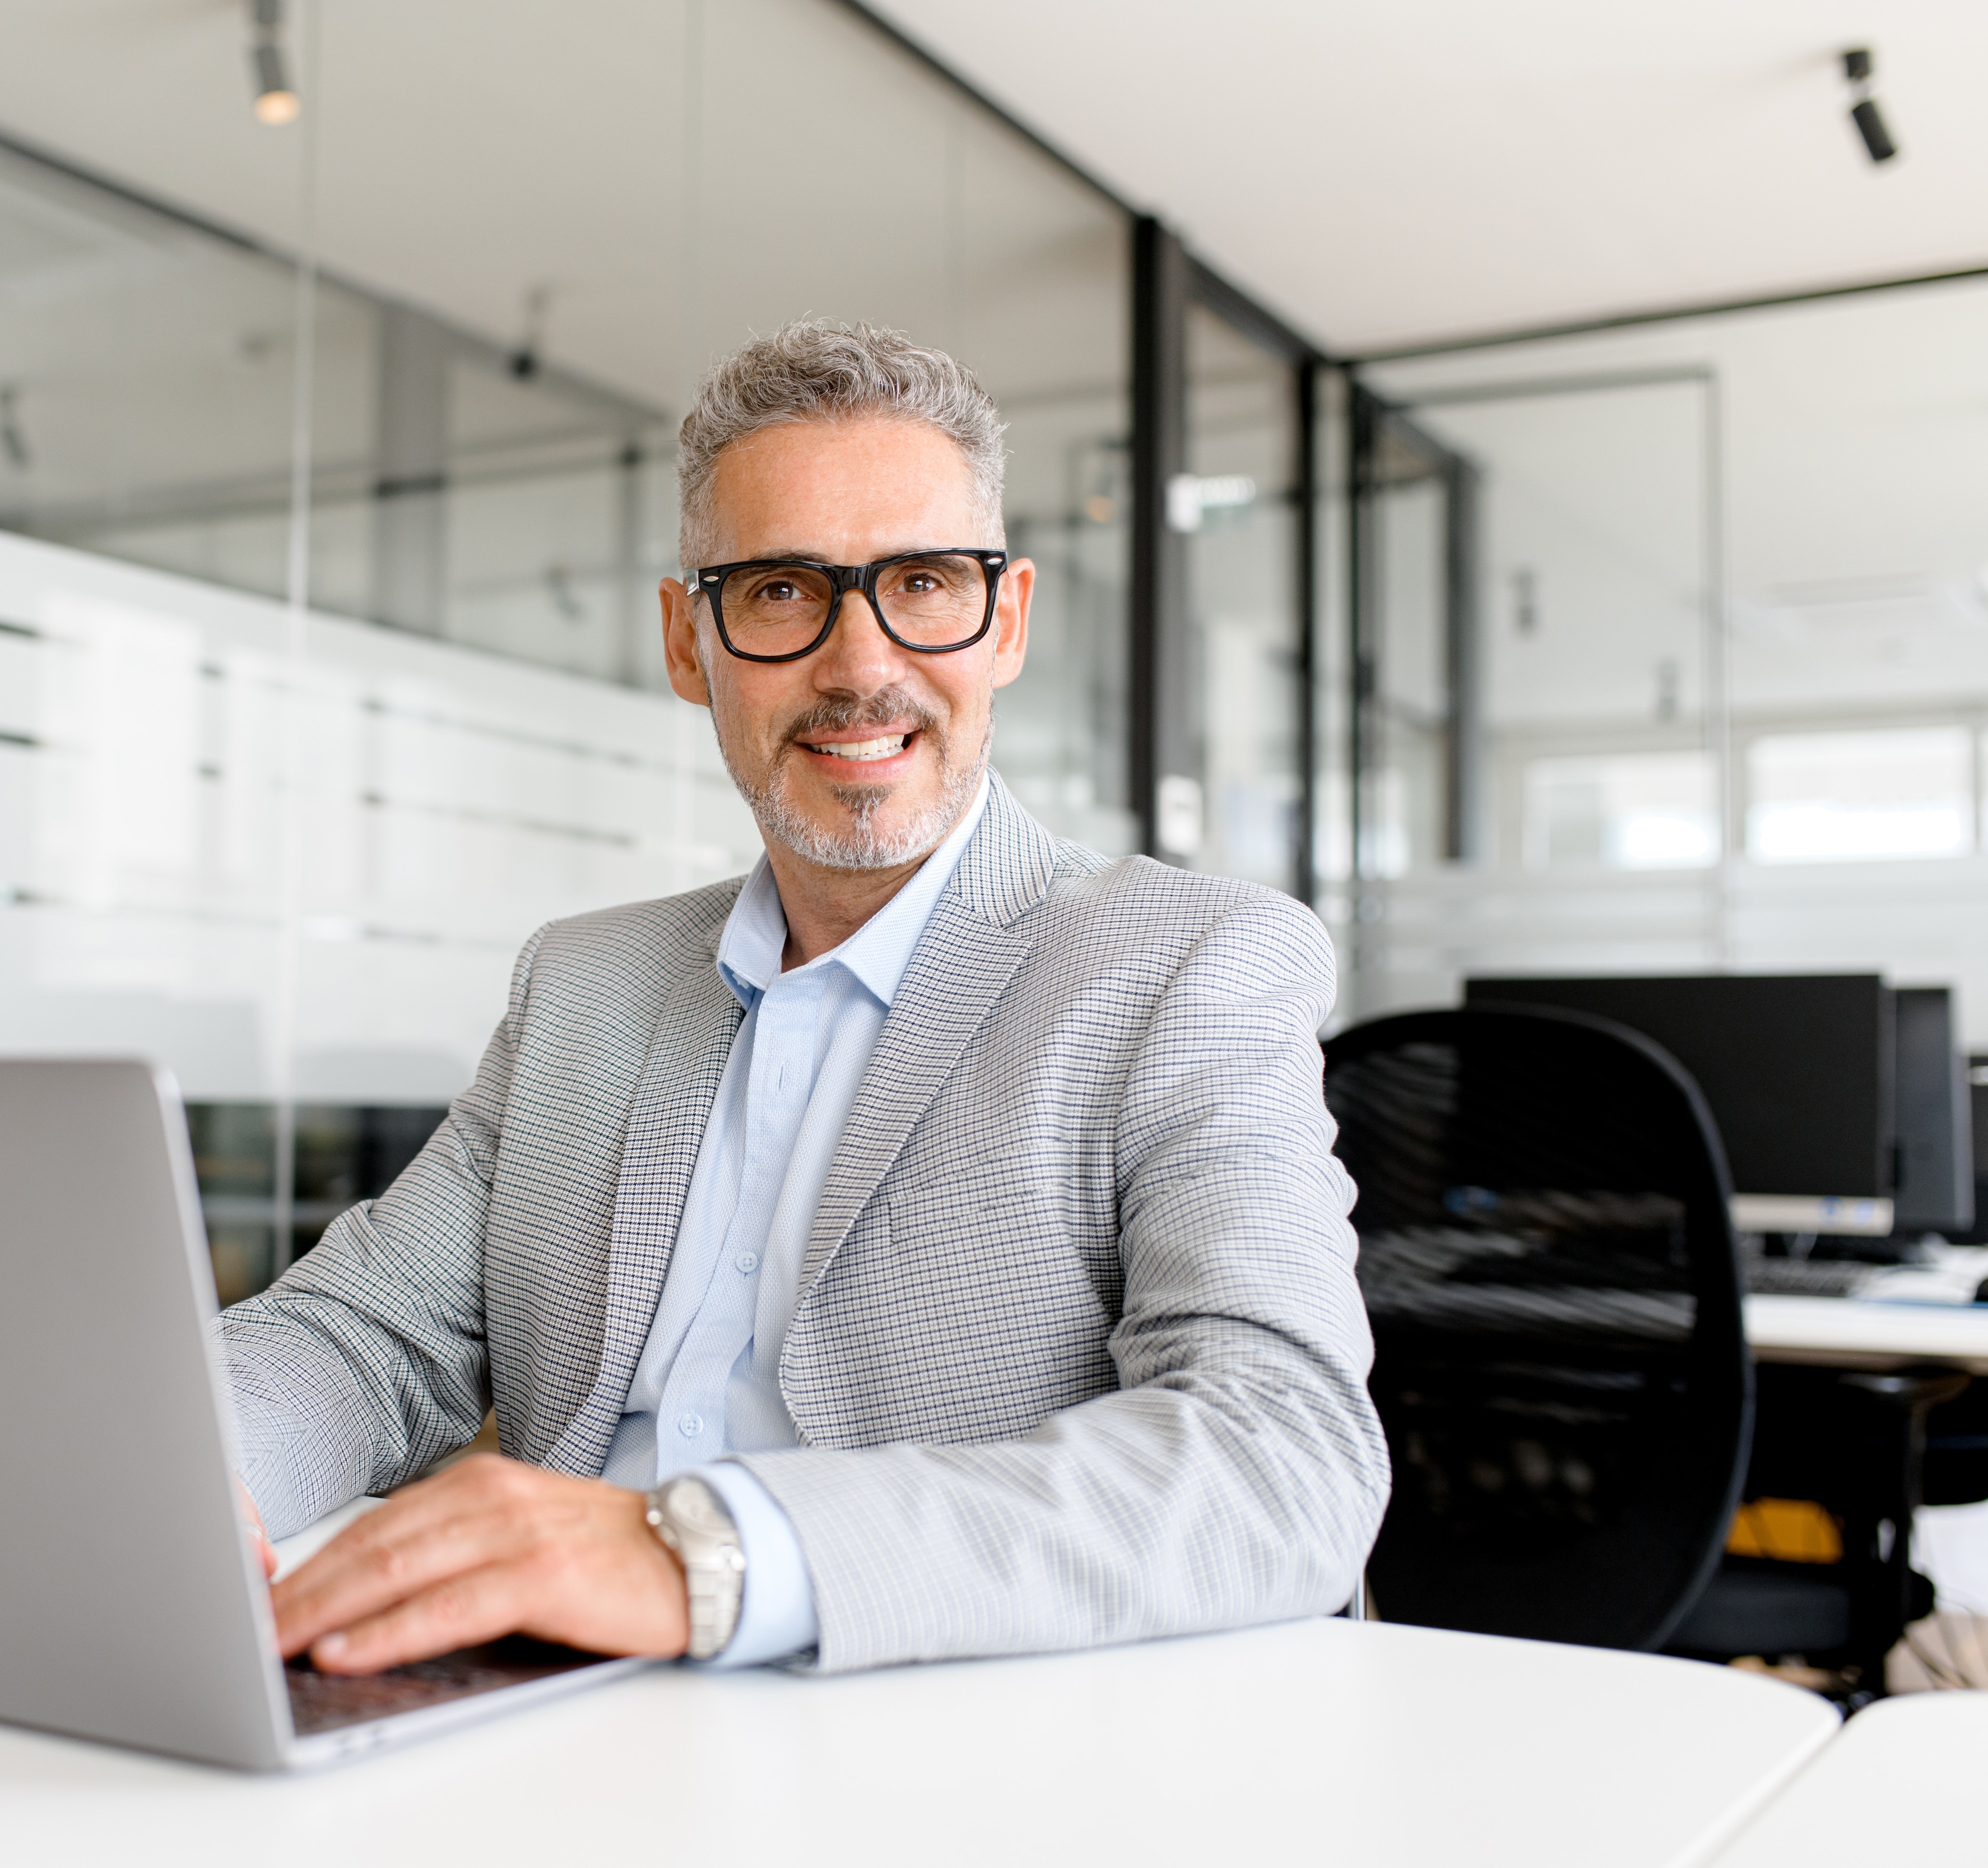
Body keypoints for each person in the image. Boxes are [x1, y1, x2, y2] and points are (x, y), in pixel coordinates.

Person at [220, 318, 1388, 1677]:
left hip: (941, 1740)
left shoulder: (1183, 967)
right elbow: (360, 1335)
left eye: (925, 583)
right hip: (547, 1716)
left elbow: (1279, 1456)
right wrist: (178, 1480)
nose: (857, 663)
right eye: (780, 592)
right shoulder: (583, 983)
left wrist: (702, 1552)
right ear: (685, 638)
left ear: (1004, 621)